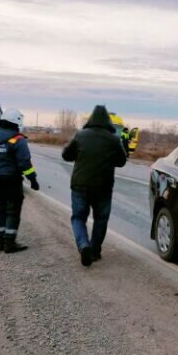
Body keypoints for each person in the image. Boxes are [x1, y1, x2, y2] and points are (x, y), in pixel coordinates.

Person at [62, 105, 127, 266]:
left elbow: (66, 155)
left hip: (80, 186)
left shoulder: (80, 135)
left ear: (91, 119)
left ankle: (83, 245)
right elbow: (121, 161)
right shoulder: (114, 139)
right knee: (101, 219)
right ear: (107, 122)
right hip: (103, 188)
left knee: (78, 217)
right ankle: (95, 251)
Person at [0, 108, 39, 253]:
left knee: (1, 209)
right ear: (17, 122)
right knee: (13, 211)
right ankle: (10, 243)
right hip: (12, 180)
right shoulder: (18, 140)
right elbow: (25, 163)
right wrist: (33, 180)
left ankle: (0, 242)